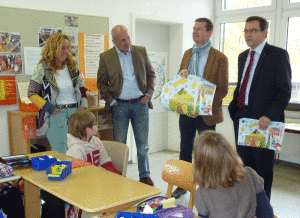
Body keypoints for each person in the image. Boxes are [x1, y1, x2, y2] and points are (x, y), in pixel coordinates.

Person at [228, 16, 292, 200]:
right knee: (246, 168)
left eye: (253, 30)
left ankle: (263, 209)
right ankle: (248, 204)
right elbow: (242, 86)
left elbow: (284, 92)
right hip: (242, 120)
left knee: (262, 170)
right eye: (246, 30)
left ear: (265, 33)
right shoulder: (242, 57)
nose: (248, 34)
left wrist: (269, 116)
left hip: (264, 124)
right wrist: (235, 110)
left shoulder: (278, 55)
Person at [172, 17, 229, 199]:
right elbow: (182, 82)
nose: (195, 32)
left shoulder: (219, 58)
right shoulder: (188, 53)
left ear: (209, 32)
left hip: (206, 114)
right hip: (187, 111)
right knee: (185, 147)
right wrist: (181, 76)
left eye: (199, 29)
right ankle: (183, 184)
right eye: (193, 28)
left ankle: (208, 187)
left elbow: (223, 89)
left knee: (207, 151)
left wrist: (203, 108)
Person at [97, 25, 156, 186]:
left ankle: (145, 175)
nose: (127, 42)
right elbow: (101, 83)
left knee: (143, 145)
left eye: (128, 38)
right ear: (114, 41)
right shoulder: (106, 57)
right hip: (120, 106)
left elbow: (151, 75)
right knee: (119, 145)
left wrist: (148, 94)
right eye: (123, 40)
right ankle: (119, 175)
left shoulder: (140, 51)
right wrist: (112, 101)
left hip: (140, 104)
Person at [28, 33, 88, 154]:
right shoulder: (43, 68)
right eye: (62, 48)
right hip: (55, 115)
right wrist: (50, 109)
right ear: (53, 49)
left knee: (78, 151)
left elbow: (82, 88)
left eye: (67, 47)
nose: (66, 51)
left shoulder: (72, 66)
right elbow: (32, 93)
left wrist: (83, 105)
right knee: (61, 152)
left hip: (75, 113)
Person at [193, 130, 274, 218]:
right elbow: (267, 213)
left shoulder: (203, 193)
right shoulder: (250, 174)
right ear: (230, 152)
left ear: (200, 165)